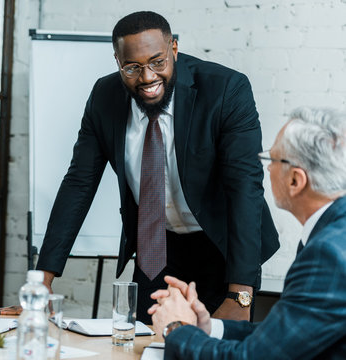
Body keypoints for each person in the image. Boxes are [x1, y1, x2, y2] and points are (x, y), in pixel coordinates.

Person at [36, 10, 279, 322]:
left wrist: (240, 295)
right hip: (157, 246)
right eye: (132, 68)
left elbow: (245, 187)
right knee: (144, 344)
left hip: (221, 245)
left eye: (157, 62)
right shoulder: (103, 98)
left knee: (218, 348)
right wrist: (42, 280)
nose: (148, 77)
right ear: (117, 62)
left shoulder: (226, 90)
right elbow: (78, 184)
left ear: (173, 50)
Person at [150, 107, 346, 358]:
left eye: (272, 159)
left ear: (296, 180)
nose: (267, 169)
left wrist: (175, 328)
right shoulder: (332, 233)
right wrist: (208, 327)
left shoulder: (327, 253)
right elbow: (285, 338)